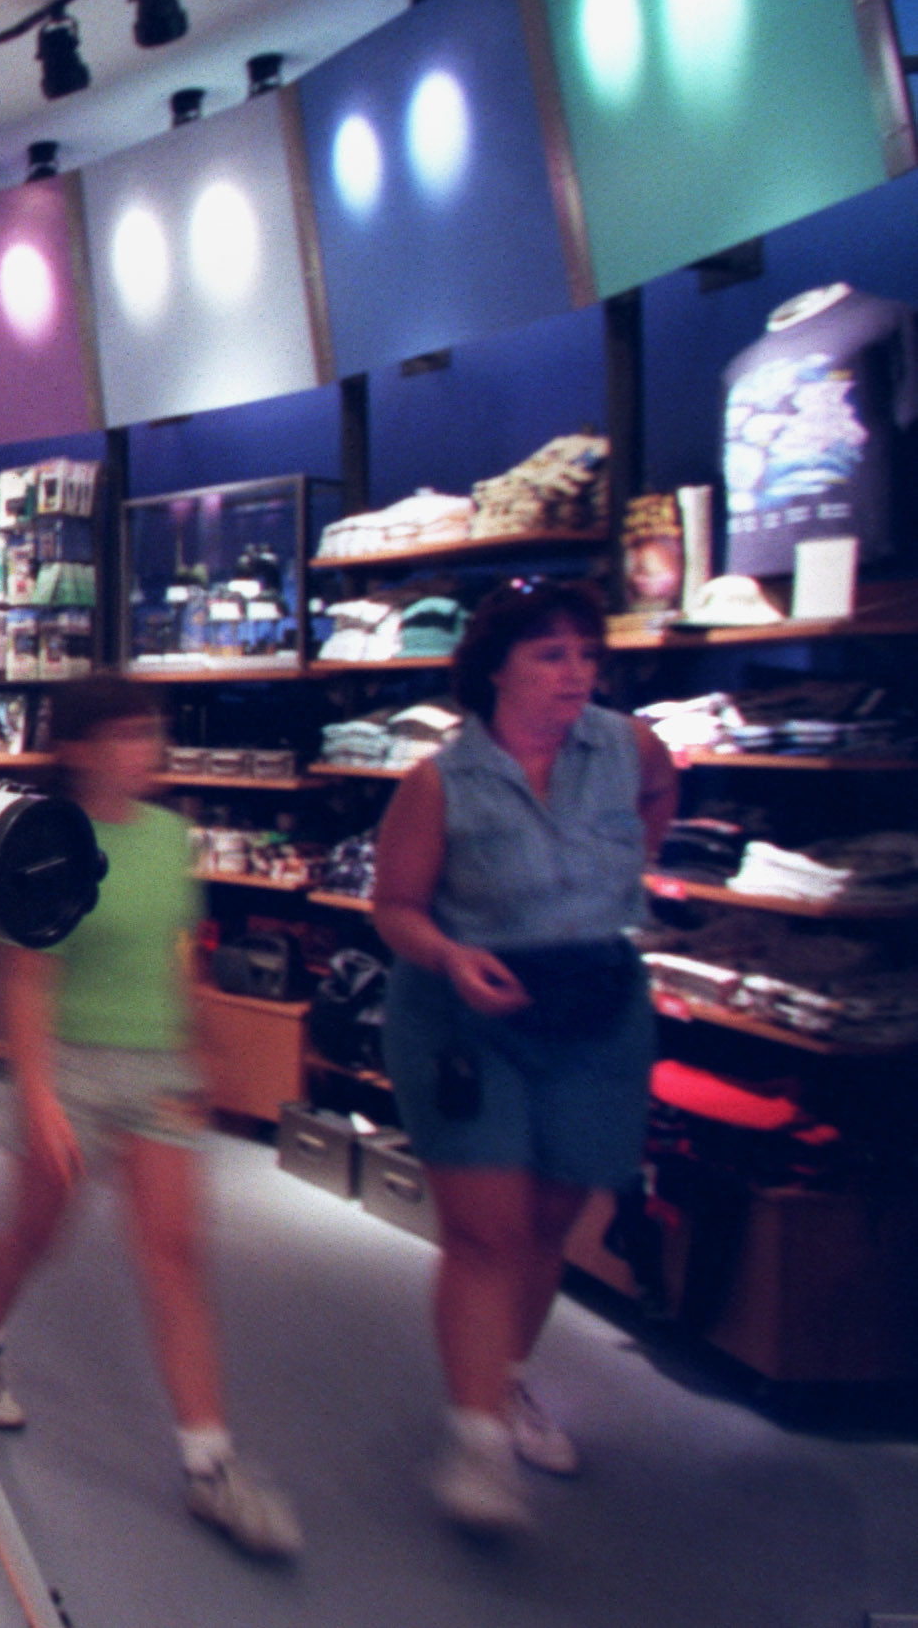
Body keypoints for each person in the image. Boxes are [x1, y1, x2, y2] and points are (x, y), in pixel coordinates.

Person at [0, 675, 303, 1560]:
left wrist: (201, 1049)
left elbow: (176, 955)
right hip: (66, 1063)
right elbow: (28, 977)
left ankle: (208, 1459)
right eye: (124, 733)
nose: (143, 748)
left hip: (155, 1069)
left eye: (149, 732)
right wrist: (37, 1097)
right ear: (79, 746)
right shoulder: (51, 841)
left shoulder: (171, 836)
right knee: (36, 1228)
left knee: (175, 1256)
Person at [370, 577, 677, 1534]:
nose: (575, 673)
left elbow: (663, 790)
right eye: (551, 655)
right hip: (465, 1016)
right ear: (495, 667)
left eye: (587, 654)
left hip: (593, 1006)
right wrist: (454, 954)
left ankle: (501, 1383)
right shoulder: (441, 783)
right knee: (484, 1230)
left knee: (549, 1218)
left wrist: (610, 887)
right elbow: (394, 907)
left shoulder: (626, 747)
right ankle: (474, 1441)